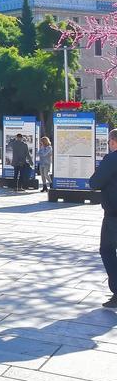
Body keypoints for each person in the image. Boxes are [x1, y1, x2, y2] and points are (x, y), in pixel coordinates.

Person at [89, 129, 117, 308]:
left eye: (109, 141)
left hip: (114, 215)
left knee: (107, 250)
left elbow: (94, 183)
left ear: (114, 142)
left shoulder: (112, 159)